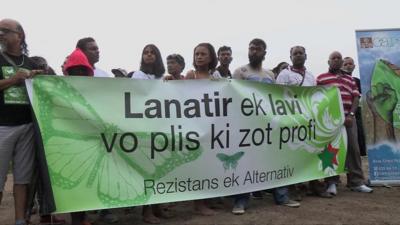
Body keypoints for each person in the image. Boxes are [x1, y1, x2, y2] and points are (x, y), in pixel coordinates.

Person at [231, 38, 299, 215]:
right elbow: (234, 97)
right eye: (251, 48)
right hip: (247, 126)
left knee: (275, 160)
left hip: (269, 126)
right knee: (245, 162)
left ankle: (282, 197)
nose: (254, 51)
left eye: (258, 49)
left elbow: (275, 99)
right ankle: (240, 201)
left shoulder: (270, 75)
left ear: (264, 53)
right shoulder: (240, 72)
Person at [0, 18, 42, 225]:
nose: (1, 34)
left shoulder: (30, 63)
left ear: (20, 35)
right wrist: (13, 80)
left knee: (22, 178)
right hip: (2, 127)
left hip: (26, 126)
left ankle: (19, 220)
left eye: (5, 30)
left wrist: (41, 78)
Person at [317, 51, 373, 195]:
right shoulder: (321, 78)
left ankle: (356, 182)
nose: (336, 60)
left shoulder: (350, 79)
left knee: (353, 149)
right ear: (328, 62)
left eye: (339, 58)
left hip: (348, 119)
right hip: (329, 120)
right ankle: (331, 182)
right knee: (330, 150)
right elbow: (316, 98)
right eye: (333, 58)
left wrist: (351, 115)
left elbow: (355, 97)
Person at [131, 44, 171, 224]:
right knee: (147, 169)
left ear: (157, 56)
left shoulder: (162, 77)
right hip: (144, 128)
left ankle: (157, 206)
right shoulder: (137, 76)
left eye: (152, 53)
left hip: (160, 127)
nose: (148, 56)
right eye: (145, 53)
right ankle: (145, 211)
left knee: (159, 168)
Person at [185, 43, 221, 216]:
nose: (199, 57)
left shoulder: (216, 78)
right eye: (196, 54)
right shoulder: (191, 75)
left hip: (211, 127)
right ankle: (198, 204)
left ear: (211, 57)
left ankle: (207, 200)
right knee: (198, 165)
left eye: (203, 54)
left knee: (209, 165)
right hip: (195, 127)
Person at [63, 48, 94, 225]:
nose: (79, 73)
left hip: (90, 142)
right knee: (74, 180)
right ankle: (76, 218)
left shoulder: (93, 90)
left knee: (86, 182)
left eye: (83, 70)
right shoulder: (61, 89)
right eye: (76, 70)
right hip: (70, 143)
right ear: (69, 72)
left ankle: (83, 217)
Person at [342, 57, 367, 156]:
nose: (348, 66)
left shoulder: (357, 80)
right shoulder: (340, 79)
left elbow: (361, 95)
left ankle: (361, 153)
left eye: (350, 64)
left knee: (359, 131)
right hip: (343, 110)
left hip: (356, 110)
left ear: (354, 66)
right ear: (341, 66)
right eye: (346, 64)